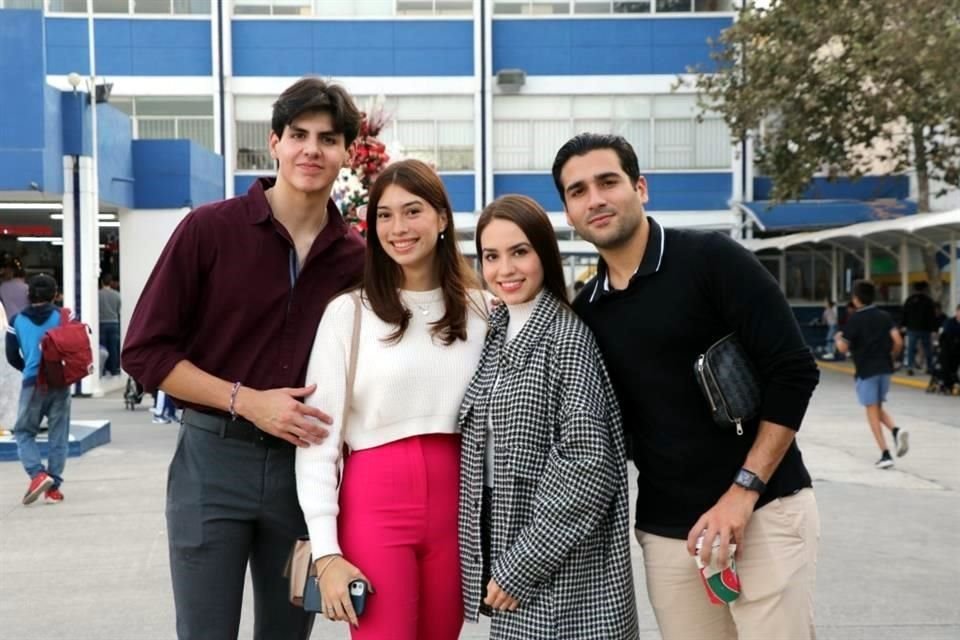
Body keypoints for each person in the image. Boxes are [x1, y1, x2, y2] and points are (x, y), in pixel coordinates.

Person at [122, 77, 365, 640]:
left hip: (303, 473)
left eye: (328, 139)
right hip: (212, 463)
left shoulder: (355, 258)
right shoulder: (209, 229)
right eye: (298, 135)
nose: (312, 149)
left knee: (286, 635)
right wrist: (247, 401)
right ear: (274, 143)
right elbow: (145, 351)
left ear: (346, 153)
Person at [553, 133, 821, 640]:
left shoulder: (712, 260)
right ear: (568, 212)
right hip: (670, 535)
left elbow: (794, 369)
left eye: (608, 182)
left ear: (640, 188)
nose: (596, 199)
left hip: (764, 510)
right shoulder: (587, 311)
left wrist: (743, 492)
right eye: (578, 190)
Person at [296, 159, 487, 640]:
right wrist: (326, 551)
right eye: (384, 215)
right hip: (375, 504)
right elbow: (317, 439)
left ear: (442, 218)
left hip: (458, 505)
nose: (398, 228)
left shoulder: (485, 310)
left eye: (412, 211)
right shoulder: (348, 314)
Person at [458, 195, 639, 639]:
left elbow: (588, 466)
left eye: (520, 252)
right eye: (491, 256)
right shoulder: (497, 332)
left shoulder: (566, 338)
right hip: (510, 550)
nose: (505, 270)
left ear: (544, 253)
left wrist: (520, 565)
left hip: (560, 570)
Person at [5, 274, 71, 505]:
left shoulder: (16, 321)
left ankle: (37, 474)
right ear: (55, 294)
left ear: (29, 294)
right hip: (60, 381)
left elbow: (12, 355)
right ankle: (53, 488)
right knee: (58, 435)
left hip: (33, 383)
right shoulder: (64, 317)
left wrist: (28, 370)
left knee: (23, 432)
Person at [835, 280, 909, 468]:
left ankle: (885, 454)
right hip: (884, 368)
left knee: (871, 412)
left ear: (856, 299)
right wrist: (891, 356)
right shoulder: (884, 316)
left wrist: (837, 339)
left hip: (866, 370)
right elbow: (898, 341)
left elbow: (843, 348)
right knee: (876, 406)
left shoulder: (855, 319)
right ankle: (896, 432)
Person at [901, 281, 937, 375]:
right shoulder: (928, 301)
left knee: (911, 349)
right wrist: (933, 329)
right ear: (925, 289)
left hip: (912, 328)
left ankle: (910, 368)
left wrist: (903, 325)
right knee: (927, 349)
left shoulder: (909, 300)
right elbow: (932, 317)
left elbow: (904, 314)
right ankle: (929, 367)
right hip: (925, 329)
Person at [98, 273, 122, 376]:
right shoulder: (117, 294)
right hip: (114, 323)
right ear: (111, 282)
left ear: (101, 282)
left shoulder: (97, 294)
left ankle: (102, 370)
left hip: (102, 323)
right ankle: (114, 370)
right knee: (113, 348)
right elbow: (118, 309)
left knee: (102, 347)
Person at [936, 304, 960, 392]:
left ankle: (953, 382)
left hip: (958, 350)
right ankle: (947, 384)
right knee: (946, 364)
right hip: (949, 349)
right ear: (957, 312)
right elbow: (943, 336)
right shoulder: (949, 322)